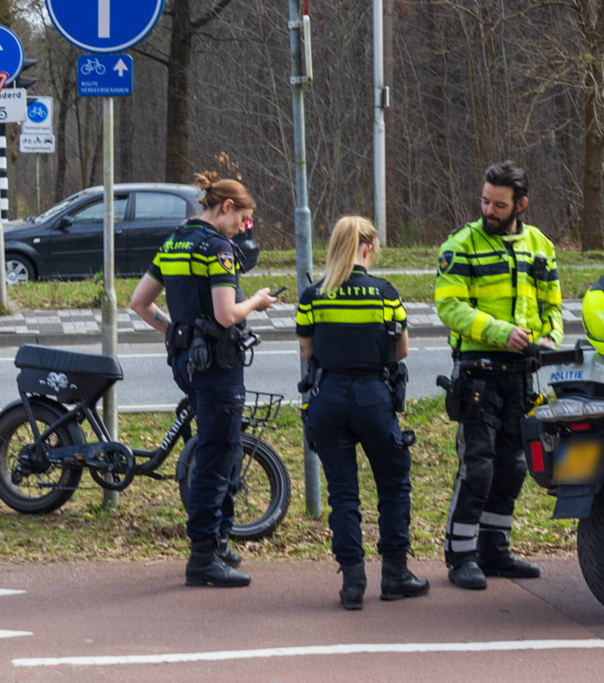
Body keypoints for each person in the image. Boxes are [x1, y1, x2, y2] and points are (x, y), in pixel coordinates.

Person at [130, 171, 276, 588]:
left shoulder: (175, 241)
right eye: (243, 219)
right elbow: (227, 314)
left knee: (225, 450)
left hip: (186, 364)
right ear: (227, 208)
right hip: (218, 368)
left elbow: (140, 302)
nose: (243, 229)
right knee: (215, 459)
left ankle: (220, 542)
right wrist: (258, 301)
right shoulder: (218, 249)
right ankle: (203, 557)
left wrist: (177, 333)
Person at [435, 161, 564, 589]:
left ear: (520, 205)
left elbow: (553, 307)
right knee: (479, 467)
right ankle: (460, 553)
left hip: (522, 373)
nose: (489, 209)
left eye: (499, 204)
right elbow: (449, 307)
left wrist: (549, 338)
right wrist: (500, 331)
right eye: (485, 201)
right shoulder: (461, 244)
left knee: (513, 467)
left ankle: (495, 549)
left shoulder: (540, 246)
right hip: (478, 372)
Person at [296, 216, 429, 610]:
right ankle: (394, 575)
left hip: (328, 397)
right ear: (367, 248)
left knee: (343, 495)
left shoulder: (312, 295)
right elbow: (400, 350)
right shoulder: (385, 293)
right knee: (392, 486)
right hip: (373, 397)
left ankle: (352, 584)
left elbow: (307, 352)